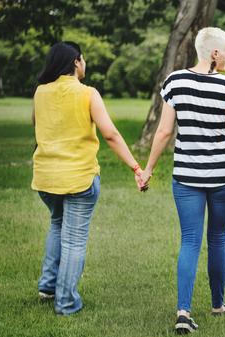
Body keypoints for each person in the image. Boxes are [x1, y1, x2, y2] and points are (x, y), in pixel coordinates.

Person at [138, 27, 225, 334]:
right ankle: (216, 304)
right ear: (214, 53)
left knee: (189, 241)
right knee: (217, 240)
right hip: (223, 177)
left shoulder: (175, 81)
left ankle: (183, 312)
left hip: (186, 176)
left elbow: (163, 132)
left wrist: (148, 170)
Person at [33, 41, 145, 315]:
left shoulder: (40, 92)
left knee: (57, 225)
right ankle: (66, 302)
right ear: (76, 62)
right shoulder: (88, 93)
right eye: (83, 59)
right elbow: (111, 134)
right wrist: (135, 167)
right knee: (73, 239)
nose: (85, 64)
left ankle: (47, 287)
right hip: (79, 178)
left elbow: (38, 127)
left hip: (46, 178)